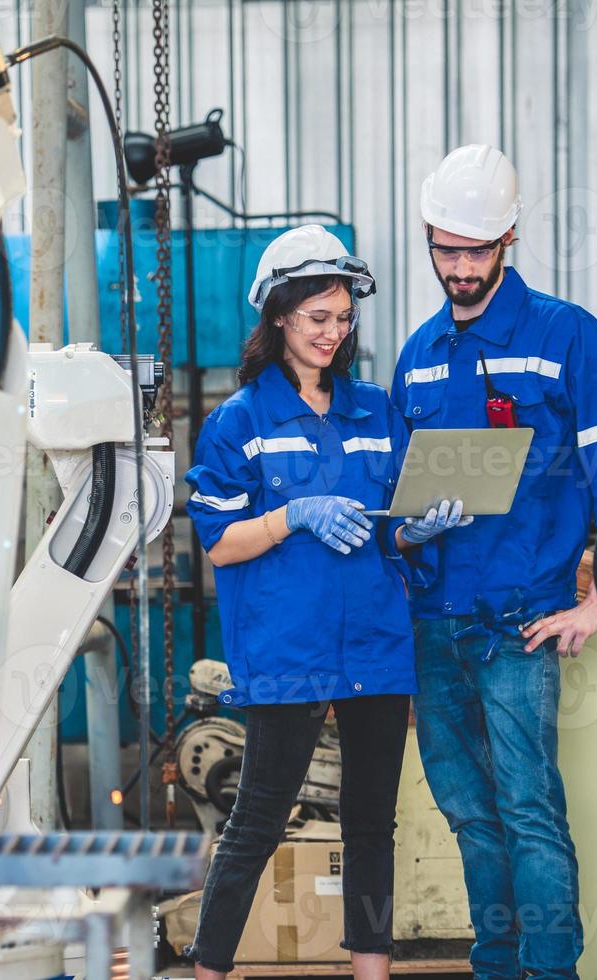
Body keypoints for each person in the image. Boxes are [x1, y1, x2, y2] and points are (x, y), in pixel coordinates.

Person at [390, 145, 597, 980]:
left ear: (509, 237)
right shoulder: (419, 353)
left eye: (475, 251)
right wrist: (404, 531)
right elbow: (395, 496)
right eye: (445, 250)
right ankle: (495, 968)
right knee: (470, 815)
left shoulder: (564, 337)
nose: (460, 269)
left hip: (520, 627)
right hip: (435, 626)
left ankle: (552, 972)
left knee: (529, 810)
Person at [183, 225, 472, 980]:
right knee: (256, 822)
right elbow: (219, 542)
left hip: (375, 642)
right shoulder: (240, 421)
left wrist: (418, 529)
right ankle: (208, 970)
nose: (333, 333)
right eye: (317, 317)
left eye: (343, 318)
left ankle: (370, 973)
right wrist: (292, 516)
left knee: (373, 822)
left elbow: (389, 533)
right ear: (279, 315)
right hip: (288, 649)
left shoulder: (376, 411)